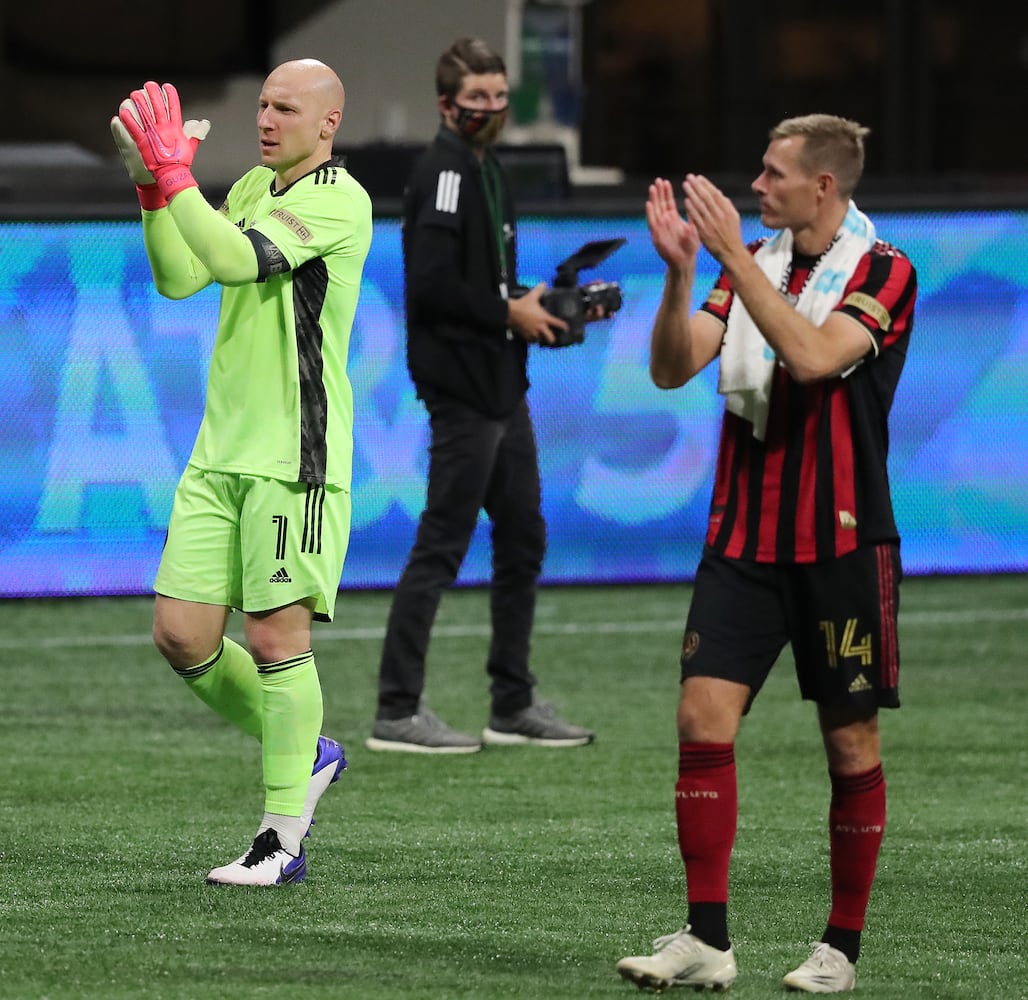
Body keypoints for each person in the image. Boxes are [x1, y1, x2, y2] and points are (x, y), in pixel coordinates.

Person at [616, 115, 917, 993]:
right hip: (744, 539)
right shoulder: (750, 257)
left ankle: (841, 949)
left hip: (842, 545)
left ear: (822, 186)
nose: (757, 184)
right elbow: (676, 367)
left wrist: (735, 261)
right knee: (700, 722)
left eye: (773, 172)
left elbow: (816, 355)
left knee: (850, 745)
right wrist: (682, 275)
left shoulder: (886, 270)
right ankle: (706, 937)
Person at [110, 59, 373, 884]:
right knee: (182, 635)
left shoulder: (340, 198)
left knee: (272, 637)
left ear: (327, 123)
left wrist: (177, 173)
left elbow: (231, 263)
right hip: (219, 453)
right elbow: (181, 275)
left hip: (293, 458)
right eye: (262, 104)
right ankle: (309, 750)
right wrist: (155, 194)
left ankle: (281, 835)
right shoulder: (258, 187)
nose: (268, 119)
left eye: (286, 108)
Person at [365, 37, 594, 754]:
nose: (492, 110)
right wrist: (510, 313)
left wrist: (537, 305)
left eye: (498, 97)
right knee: (441, 546)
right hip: (464, 391)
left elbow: (481, 282)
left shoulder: (484, 167)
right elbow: (431, 287)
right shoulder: (444, 173)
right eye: (478, 101)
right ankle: (397, 710)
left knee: (523, 539)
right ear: (446, 105)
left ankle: (512, 701)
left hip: (501, 386)